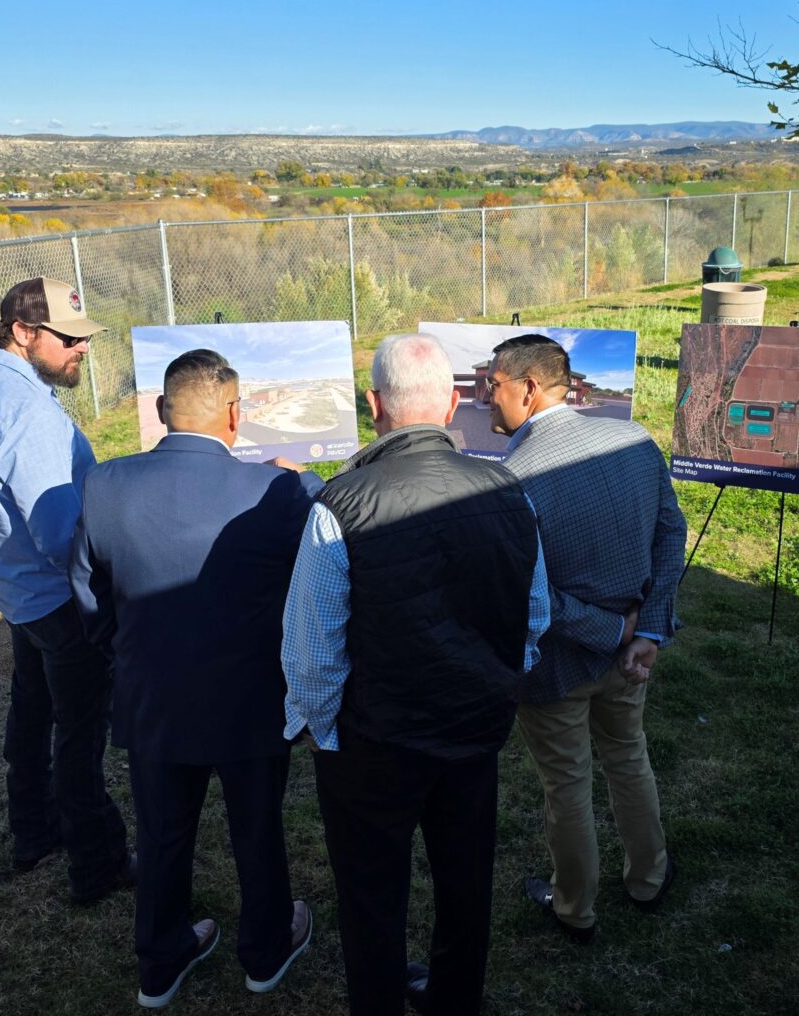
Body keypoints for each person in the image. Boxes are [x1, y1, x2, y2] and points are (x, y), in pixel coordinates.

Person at [282, 333, 550, 1016]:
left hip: (374, 743)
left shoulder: (337, 504)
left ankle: (379, 1003)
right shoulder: (508, 490)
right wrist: (503, 682)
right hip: (473, 730)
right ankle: (456, 1000)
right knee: (467, 882)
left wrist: (315, 724)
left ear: (374, 405)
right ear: (455, 402)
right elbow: (536, 613)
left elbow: (312, 645)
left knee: (371, 893)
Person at [70, 349, 321, 1009]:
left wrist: (131, 657)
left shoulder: (104, 484)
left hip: (152, 696)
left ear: (159, 412)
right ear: (236, 416)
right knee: (258, 829)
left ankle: (160, 961)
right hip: (251, 700)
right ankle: (265, 951)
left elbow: (89, 597)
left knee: (160, 833)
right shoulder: (281, 490)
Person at [487, 333, 687, 943]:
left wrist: (624, 630)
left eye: (490, 385)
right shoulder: (632, 440)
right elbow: (670, 535)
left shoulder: (511, 478)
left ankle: (575, 909)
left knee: (567, 785)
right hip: (627, 657)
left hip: (555, 666)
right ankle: (648, 878)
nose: (481, 396)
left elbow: (529, 597)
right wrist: (643, 630)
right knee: (628, 757)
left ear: (527, 388)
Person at [0, 276, 131, 904]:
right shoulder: (24, 408)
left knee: (31, 718)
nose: (82, 348)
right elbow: (58, 532)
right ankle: (98, 864)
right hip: (57, 597)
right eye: (70, 338)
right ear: (24, 332)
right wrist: (107, 582)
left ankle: (32, 831)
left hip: (20, 592)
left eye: (84, 337)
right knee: (78, 735)